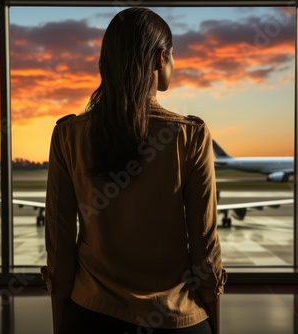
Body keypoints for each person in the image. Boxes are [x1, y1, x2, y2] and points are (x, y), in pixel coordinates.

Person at [42, 7, 227, 334]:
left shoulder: (68, 134)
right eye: (173, 55)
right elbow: (204, 245)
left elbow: (59, 242)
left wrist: (62, 322)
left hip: (91, 313)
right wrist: (213, 320)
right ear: (160, 59)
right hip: (175, 317)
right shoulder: (190, 135)